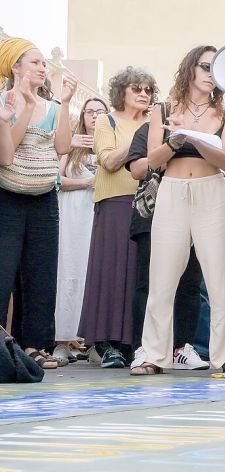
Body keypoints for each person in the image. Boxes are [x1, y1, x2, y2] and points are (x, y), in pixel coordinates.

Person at [128, 45, 225, 376]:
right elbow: (152, 160)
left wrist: (200, 138)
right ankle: (153, 354)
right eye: (206, 66)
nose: (211, 74)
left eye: (217, 68)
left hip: (212, 191)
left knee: (221, 279)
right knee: (161, 278)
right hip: (173, 191)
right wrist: (175, 140)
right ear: (190, 68)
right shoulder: (163, 110)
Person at [0, 37, 76, 370]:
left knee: (41, 273)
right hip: (8, 197)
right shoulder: (4, 103)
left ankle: (34, 346)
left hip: (44, 198)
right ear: (15, 66)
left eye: (44, 63)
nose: (43, 68)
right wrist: (25, 107)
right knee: (4, 272)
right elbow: (6, 155)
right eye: (35, 62)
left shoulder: (56, 108)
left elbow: (62, 147)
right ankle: (3, 344)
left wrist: (66, 103)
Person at [78, 67, 156, 369]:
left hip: (146, 205)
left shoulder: (154, 124)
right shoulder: (105, 121)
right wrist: (140, 136)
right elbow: (109, 161)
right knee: (110, 273)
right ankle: (106, 343)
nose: (143, 94)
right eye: (136, 88)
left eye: (148, 90)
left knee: (137, 276)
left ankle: (131, 343)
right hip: (113, 203)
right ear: (121, 91)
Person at [124, 96, 206, 372]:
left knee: (190, 283)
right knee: (149, 284)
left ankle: (182, 347)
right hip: (154, 213)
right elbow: (137, 169)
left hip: (194, 210)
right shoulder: (148, 130)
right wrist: (171, 143)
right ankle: (143, 348)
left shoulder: (205, 129)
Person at [52, 97, 108, 365]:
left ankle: (93, 342)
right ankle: (62, 341)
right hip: (74, 215)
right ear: (83, 116)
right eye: (90, 112)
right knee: (69, 273)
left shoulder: (111, 143)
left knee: (94, 276)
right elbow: (56, 180)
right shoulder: (71, 144)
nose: (95, 116)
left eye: (100, 111)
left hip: (100, 217)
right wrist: (87, 182)